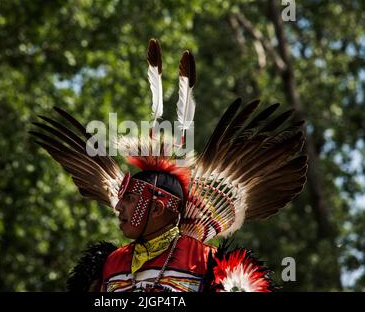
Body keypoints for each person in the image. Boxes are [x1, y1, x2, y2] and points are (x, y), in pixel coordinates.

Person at [30, 39, 308, 292]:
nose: (117, 206)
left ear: (157, 207)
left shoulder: (207, 263)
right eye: (122, 199)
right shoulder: (110, 265)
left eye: (128, 199)